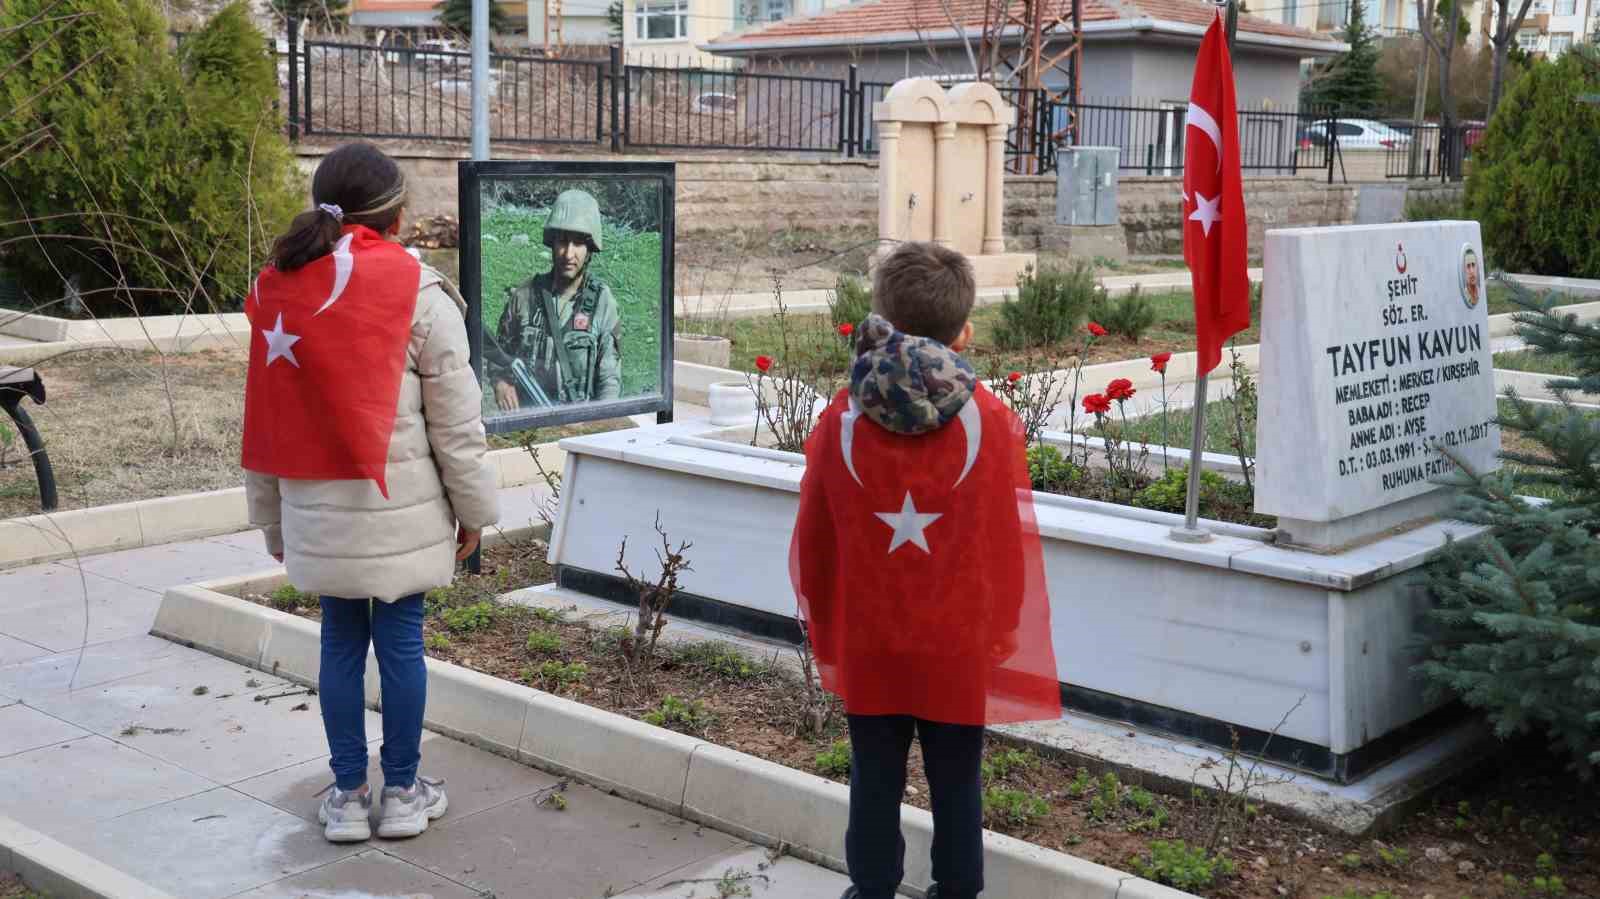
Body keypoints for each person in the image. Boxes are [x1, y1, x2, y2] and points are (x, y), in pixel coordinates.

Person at [242, 142, 499, 844]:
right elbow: (457, 425)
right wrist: (475, 512)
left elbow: (263, 417)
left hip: (317, 511)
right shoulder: (421, 293)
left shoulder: (277, 289)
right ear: (398, 216)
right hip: (401, 513)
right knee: (402, 643)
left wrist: (271, 521)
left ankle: (349, 796)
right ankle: (406, 792)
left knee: (339, 643)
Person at [790, 242, 1061, 899]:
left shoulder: (841, 420)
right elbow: (1006, 539)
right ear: (963, 333)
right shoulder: (990, 421)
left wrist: (824, 618)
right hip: (958, 640)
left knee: (873, 775)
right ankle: (958, 890)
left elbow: (815, 535)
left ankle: (872, 890)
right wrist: (1003, 623)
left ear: (881, 317)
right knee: (958, 777)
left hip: (871, 637)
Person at [485, 188, 622, 409]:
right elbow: (497, 353)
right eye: (562, 242)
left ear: (590, 249)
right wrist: (500, 382)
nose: (568, 254)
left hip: (580, 421)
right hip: (529, 420)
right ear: (552, 243)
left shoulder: (601, 302)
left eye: (578, 243)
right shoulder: (525, 296)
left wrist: (599, 422)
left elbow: (609, 381)